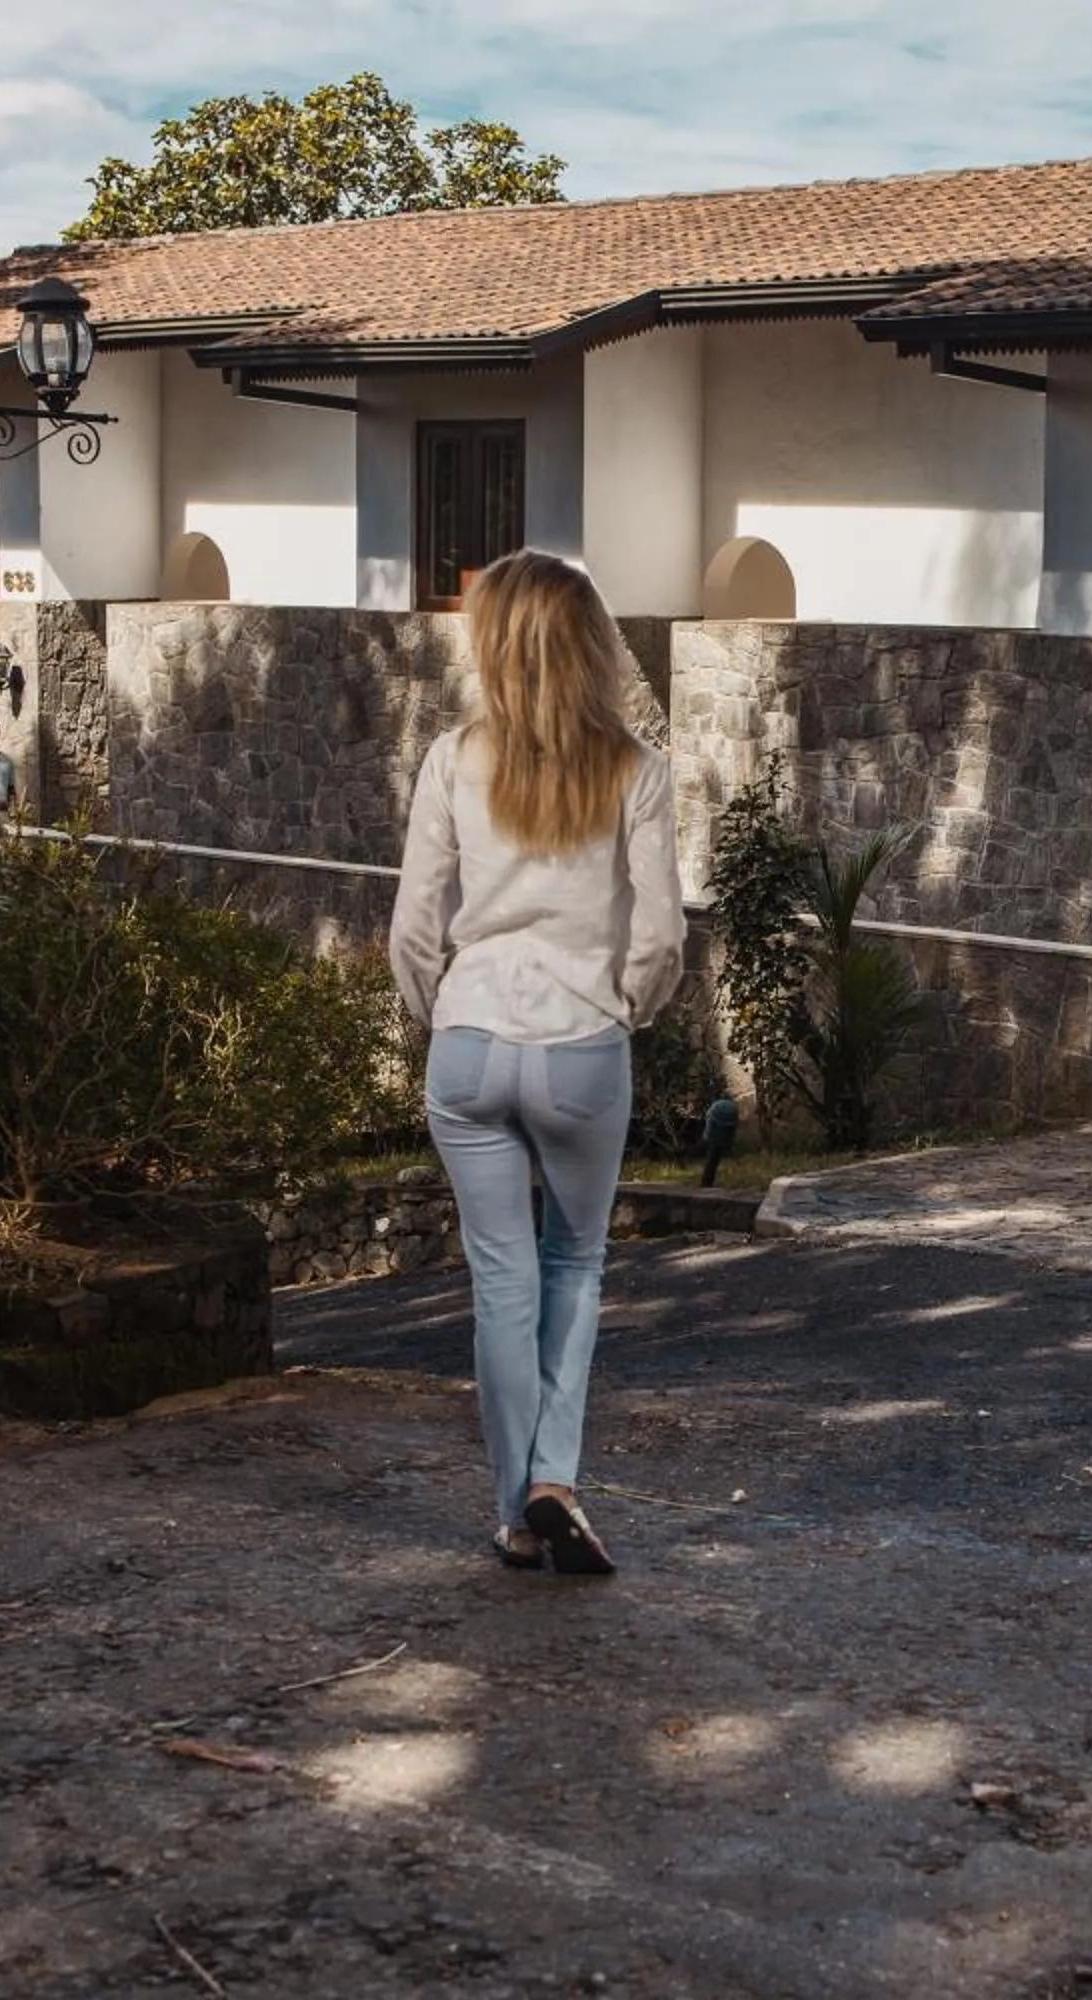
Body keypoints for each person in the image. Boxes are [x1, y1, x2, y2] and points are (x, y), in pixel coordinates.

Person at [387, 550, 687, 1576]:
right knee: (576, 1263)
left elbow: (412, 930)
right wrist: (624, 1010)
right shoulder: (637, 771)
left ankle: (516, 1514)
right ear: (591, 646)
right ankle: (554, 1476)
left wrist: (444, 1015)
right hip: (581, 1049)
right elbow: (660, 938)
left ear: (493, 646)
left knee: (502, 1285)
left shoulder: (451, 760)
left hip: (469, 1048)